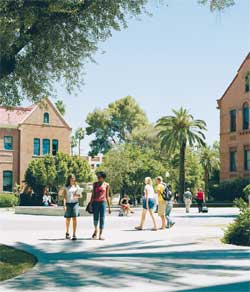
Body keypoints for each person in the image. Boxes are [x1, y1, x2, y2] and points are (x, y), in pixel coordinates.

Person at [91, 171, 111, 240]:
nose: (98, 178)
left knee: (102, 218)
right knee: (95, 218)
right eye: (98, 177)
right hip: (95, 202)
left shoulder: (106, 185)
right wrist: (91, 203)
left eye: (100, 177)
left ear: (103, 177)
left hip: (103, 203)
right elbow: (92, 194)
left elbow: (107, 196)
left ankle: (100, 234)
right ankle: (96, 230)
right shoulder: (95, 184)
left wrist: (109, 207)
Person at [63, 174, 82, 240]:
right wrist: (64, 205)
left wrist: (75, 196)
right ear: (69, 179)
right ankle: (67, 232)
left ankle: (74, 234)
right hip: (68, 204)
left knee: (74, 218)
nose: (72, 179)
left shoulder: (77, 186)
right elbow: (64, 197)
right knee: (68, 219)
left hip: (75, 204)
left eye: (73, 178)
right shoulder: (66, 187)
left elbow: (80, 196)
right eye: (71, 178)